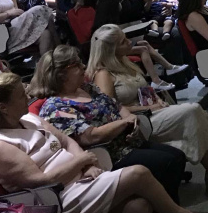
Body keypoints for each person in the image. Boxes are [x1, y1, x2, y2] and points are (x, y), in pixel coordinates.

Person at [0, 72, 208, 213]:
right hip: (58, 199)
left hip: (80, 180)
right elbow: (39, 180)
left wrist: (88, 164)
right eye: (19, 96)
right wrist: (81, 162)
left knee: (138, 208)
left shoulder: (28, 119)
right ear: (3, 108)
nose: (27, 97)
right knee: (138, 173)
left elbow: (68, 141)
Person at [87, 24, 208, 196]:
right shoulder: (103, 74)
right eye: (123, 41)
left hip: (151, 112)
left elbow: (143, 91)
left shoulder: (125, 62)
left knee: (195, 117)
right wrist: (147, 107)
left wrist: (155, 101)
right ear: (112, 49)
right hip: (137, 121)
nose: (129, 42)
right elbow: (111, 111)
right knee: (192, 111)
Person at [30, 46, 188, 203]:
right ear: (61, 74)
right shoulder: (56, 107)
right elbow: (90, 136)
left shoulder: (87, 88)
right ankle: (167, 210)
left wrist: (131, 118)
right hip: (109, 154)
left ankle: (164, 205)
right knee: (168, 163)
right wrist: (123, 123)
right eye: (76, 65)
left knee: (178, 156)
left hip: (128, 143)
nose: (83, 66)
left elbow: (117, 106)